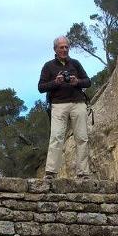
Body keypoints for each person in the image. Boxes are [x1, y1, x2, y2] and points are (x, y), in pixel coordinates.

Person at [38, 36, 92, 179]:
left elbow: (88, 82)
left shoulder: (76, 64)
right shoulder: (48, 66)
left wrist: (77, 81)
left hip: (78, 103)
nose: (64, 49)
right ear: (55, 49)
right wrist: (56, 82)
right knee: (56, 137)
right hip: (58, 105)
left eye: (66, 47)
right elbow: (41, 87)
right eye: (61, 47)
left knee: (82, 137)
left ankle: (83, 173)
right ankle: (50, 172)